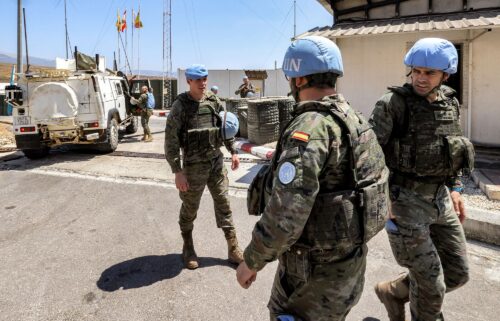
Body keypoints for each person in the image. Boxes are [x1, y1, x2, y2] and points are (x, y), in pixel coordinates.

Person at [236, 36, 390, 321]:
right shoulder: (355, 120)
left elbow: (286, 215)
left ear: (299, 79)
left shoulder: (310, 128)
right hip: (349, 270)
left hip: (311, 278)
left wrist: (251, 260)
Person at [369, 38, 473, 321]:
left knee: (457, 273)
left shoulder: (449, 101)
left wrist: (455, 188)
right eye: (416, 71)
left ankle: (393, 291)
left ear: (445, 75)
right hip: (406, 203)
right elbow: (368, 158)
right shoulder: (392, 104)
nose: (420, 78)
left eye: (429, 73)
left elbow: (454, 150)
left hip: (440, 200)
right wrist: (383, 199)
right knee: (431, 285)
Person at [164, 64, 244, 270]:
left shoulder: (213, 101)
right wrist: (177, 172)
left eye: (205, 79)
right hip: (192, 168)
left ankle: (233, 248)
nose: (203, 83)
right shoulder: (180, 106)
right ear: (189, 81)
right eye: (198, 80)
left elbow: (224, 128)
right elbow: (171, 141)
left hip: (215, 164)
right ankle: (188, 247)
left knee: (224, 204)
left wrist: (233, 151)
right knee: (190, 208)